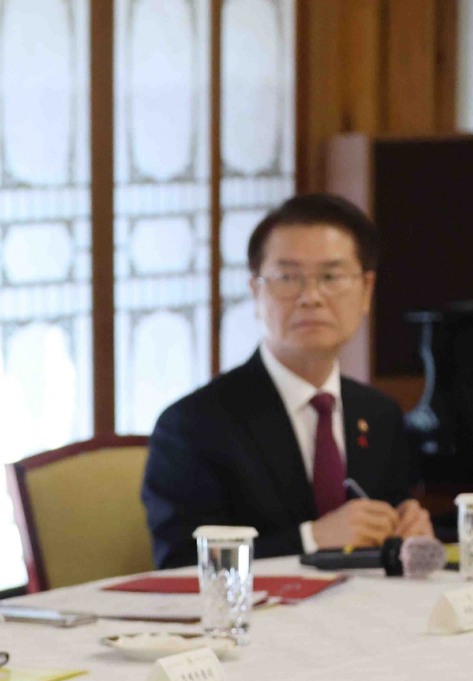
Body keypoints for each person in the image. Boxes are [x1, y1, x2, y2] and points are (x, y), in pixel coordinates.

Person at [142, 193, 433, 569]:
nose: (311, 297)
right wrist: (311, 539)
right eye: (288, 278)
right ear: (256, 291)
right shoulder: (192, 425)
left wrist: (409, 533)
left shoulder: (380, 414)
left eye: (331, 277)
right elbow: (180, 566)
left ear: (366, 291)